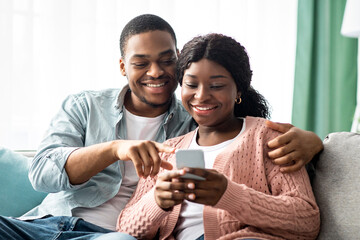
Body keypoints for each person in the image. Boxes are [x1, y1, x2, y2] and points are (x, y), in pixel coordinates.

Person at [0, 14, 321, 240]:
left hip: (111, 237)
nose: (155, 72)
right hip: (48, 224)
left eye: (166, 60)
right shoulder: (87, 106)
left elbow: (302, 214)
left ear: (178, 60)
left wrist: (319, 143)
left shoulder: (201, 124)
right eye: (141, 63)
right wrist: (116, 149)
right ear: (123, 66)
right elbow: (42, 173)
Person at [116, 33, 320, 240]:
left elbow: (306, 220)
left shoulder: (267, 138)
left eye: (216, 86)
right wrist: (156, 201)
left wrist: (230, 196)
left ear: (238, 89)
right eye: (192, 85)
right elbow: (124, 231)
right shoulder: (168, 150)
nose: (202, 95)